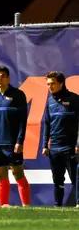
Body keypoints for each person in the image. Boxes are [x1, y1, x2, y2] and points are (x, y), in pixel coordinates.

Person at [0, 66, 31, 207]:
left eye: (2, 76)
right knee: (0, 176)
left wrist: (19, 141)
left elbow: (23, 121)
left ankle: (26, 206)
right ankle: (3, 205)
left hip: (12, 143)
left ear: (8, 78)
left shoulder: (18, 95)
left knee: (17, 173)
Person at [41, 71, 79, 207]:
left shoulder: (75, 99)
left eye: (52, 84)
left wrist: (78, 143)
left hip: (71, 147)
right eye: (48, 84)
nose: (49, 87)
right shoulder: (50, 101)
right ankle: (58, 207)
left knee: (76, 179)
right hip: (54, 148)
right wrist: (45, 145)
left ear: (61, 83)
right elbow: (46, 123)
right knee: (57, 180)